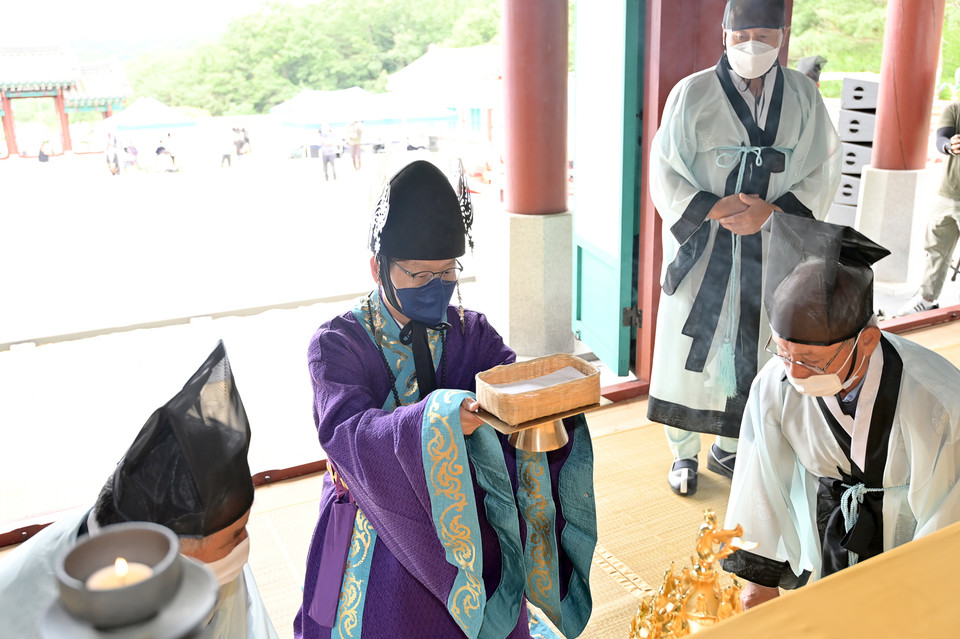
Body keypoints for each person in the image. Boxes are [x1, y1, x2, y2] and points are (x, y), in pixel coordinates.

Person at [294, 160, 596, 638]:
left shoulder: (469, 330)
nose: (436, 288)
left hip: (460, 513)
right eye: (418, 276)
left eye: (448, 272)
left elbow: (508, 383)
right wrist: (438, 421)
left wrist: (541, 399)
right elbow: (346, 433)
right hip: (366, 514)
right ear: (378, 268)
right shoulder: (336, 343)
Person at [646, 0, 841, 496]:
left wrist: (770, 213)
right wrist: (712, 208)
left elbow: (823, 167)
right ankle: (683, 450)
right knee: (694, 342)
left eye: (764, 35)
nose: (751, 46)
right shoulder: (691, 93)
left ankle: (731, 444)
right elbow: (665, 167)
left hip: (773, 242)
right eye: (740, 36)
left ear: (782, 33)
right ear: (724, 34)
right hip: (706, 244)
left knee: (758, 341)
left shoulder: (802, 95)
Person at [721, 213, 960, 610]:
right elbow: (758, 479)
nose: (794, 373)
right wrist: (757, 582)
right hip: (828, 528)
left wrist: (923, 601)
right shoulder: (776, 383)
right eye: (782, 352)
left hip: (910, 540)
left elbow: (947, 518)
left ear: (867, 341)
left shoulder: (938, 400)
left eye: (812, 361)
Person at [0, 341, 278, 638]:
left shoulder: (214, 563)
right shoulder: (27, 615)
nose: (244, 543)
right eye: (236, 535)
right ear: (170, 549)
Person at [896, 101, 960, 316]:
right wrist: (950, 145)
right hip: (946, 194)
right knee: (935, 249)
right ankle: (926, 299)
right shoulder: (955, 109)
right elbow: (942, 138)